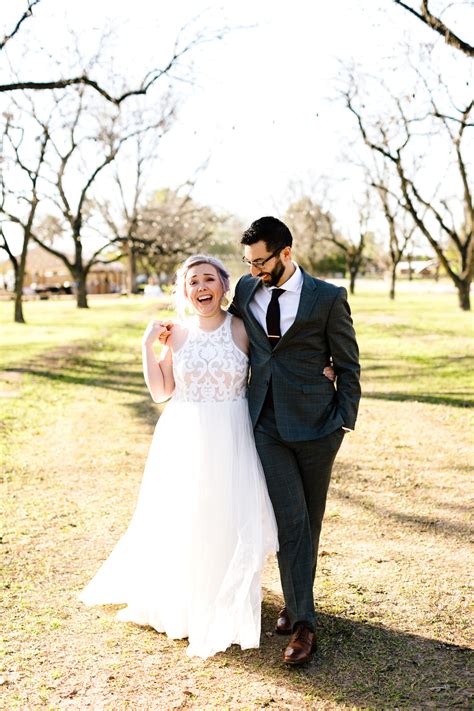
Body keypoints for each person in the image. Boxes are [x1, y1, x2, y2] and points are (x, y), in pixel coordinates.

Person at [79, 255, 279, 659]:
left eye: (209, 279)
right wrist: (147, 346)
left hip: (232, 431)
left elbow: (275, 367)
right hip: (184, 433)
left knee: (226, 514)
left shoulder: (242, 329)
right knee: (187, 515)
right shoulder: (177, 334)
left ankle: (225, 594)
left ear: (224, 287)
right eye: (193, 282)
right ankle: (187, 599)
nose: (202, 287)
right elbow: (161, 391)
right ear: (185, 291)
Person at [228, 216, 361, 665]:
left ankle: (293, 601)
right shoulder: (247, 291)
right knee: (292, 519)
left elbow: (347, 363)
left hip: (319, 426)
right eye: (247, 262)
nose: (252, 272)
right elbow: (221, 332)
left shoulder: (327, 298)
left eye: (260, 261)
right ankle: (305, 625)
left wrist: (343, 419)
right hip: (265, 423)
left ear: (286, 252)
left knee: (311, 519)